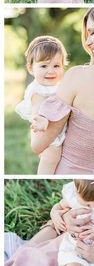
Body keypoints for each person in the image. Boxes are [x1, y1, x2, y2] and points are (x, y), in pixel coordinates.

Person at [31, 8, 94, 174]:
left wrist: (36, 106)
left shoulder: (78, 76)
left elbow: (37, 144)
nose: (87, 42)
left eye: (92, 33)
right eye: (86, 35)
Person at [15, 36, 68, 174]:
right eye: (44, 66)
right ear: (31, 68)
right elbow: (35, 113)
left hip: (57, 130)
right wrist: (43, 121)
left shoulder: (56, 87)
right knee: (51, 157)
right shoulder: (38, 91)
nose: (51, 71)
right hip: (47, 134)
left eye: (56, 66)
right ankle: (44, 175)